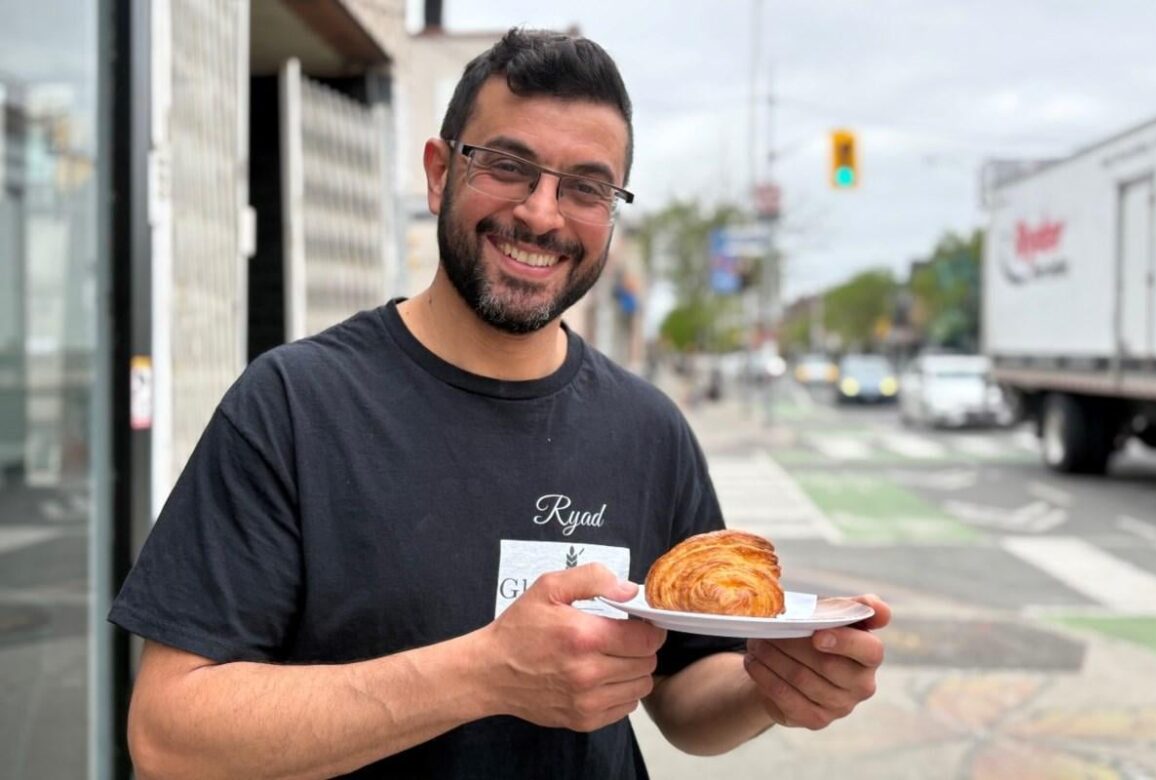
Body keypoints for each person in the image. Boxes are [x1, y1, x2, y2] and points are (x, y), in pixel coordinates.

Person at [110, 28, 891, 779]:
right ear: (440, 172)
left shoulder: (648, 429)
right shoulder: (292, 406)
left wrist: (772, 687)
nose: (543, 214)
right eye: (509, 165)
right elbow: (169, 735)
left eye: (585, 186)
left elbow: (686, 696)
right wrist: (481, 675)